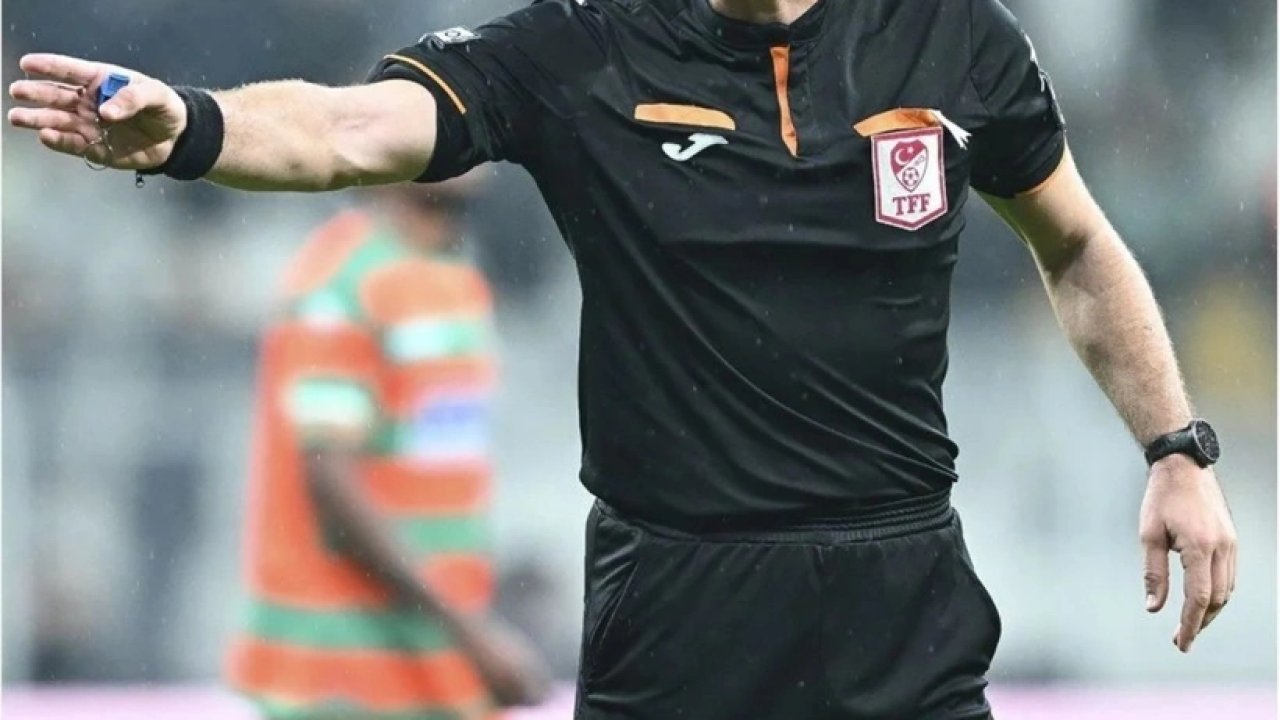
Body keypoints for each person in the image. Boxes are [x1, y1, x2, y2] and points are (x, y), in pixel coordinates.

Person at [9, 0, 1239, 717]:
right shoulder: (585, 47)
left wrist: (1175, 449)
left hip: (899, 593)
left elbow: (1076, 243)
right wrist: (194, 126)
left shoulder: (950, 38)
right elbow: (346, 127)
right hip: (678, 601)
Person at [222, 178, 550, 719]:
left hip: (434, 673)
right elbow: (332, 482)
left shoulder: (455, 279)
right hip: (339, 678)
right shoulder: (341, 279)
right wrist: (472, 634)